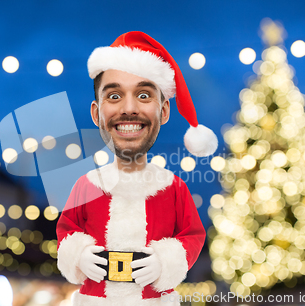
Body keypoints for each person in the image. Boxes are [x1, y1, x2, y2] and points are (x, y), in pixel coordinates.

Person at [56, 31, 218, 305]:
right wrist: (78, 254)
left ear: (164, 111)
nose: (129, 108)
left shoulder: (173, 188)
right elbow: (67, 231)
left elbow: (192, 236)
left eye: (143, 95)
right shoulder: (87, 185)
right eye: (114, 96)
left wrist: (166, 262)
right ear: (96, 113)